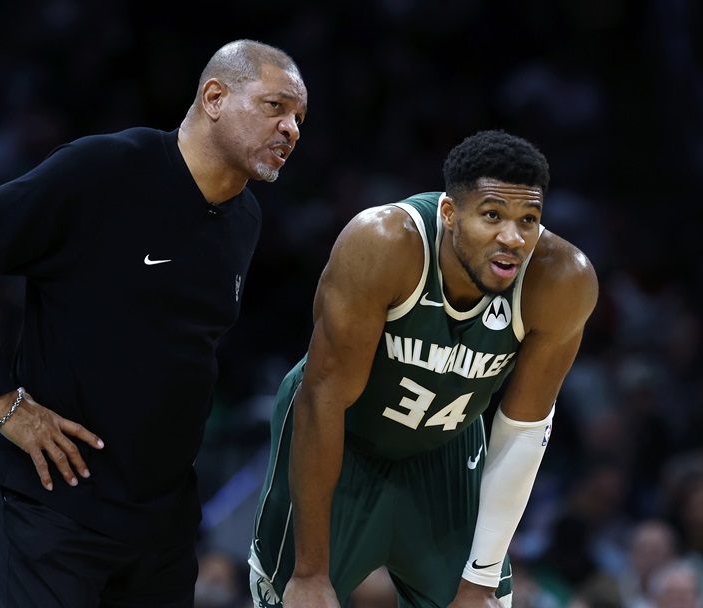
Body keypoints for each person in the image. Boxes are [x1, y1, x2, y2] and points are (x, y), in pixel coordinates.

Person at [0, 39, 308, 608]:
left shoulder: (244, 218)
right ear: (215, 97)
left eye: (299, 117)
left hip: (162, 522)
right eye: (276, 106)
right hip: (55, 500)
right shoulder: (108, 168)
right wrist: (2, 401)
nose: (291, 128)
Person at [248, 129, 599, 608]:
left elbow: (523, 431)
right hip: (342, 437)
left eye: (529, 219)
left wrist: (478, 584)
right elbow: (323, 396)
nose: (513, 238)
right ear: (450, 215)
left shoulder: (562, 278)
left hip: (446, 444)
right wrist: (310, 572)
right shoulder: (384, 244)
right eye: (493, 215)